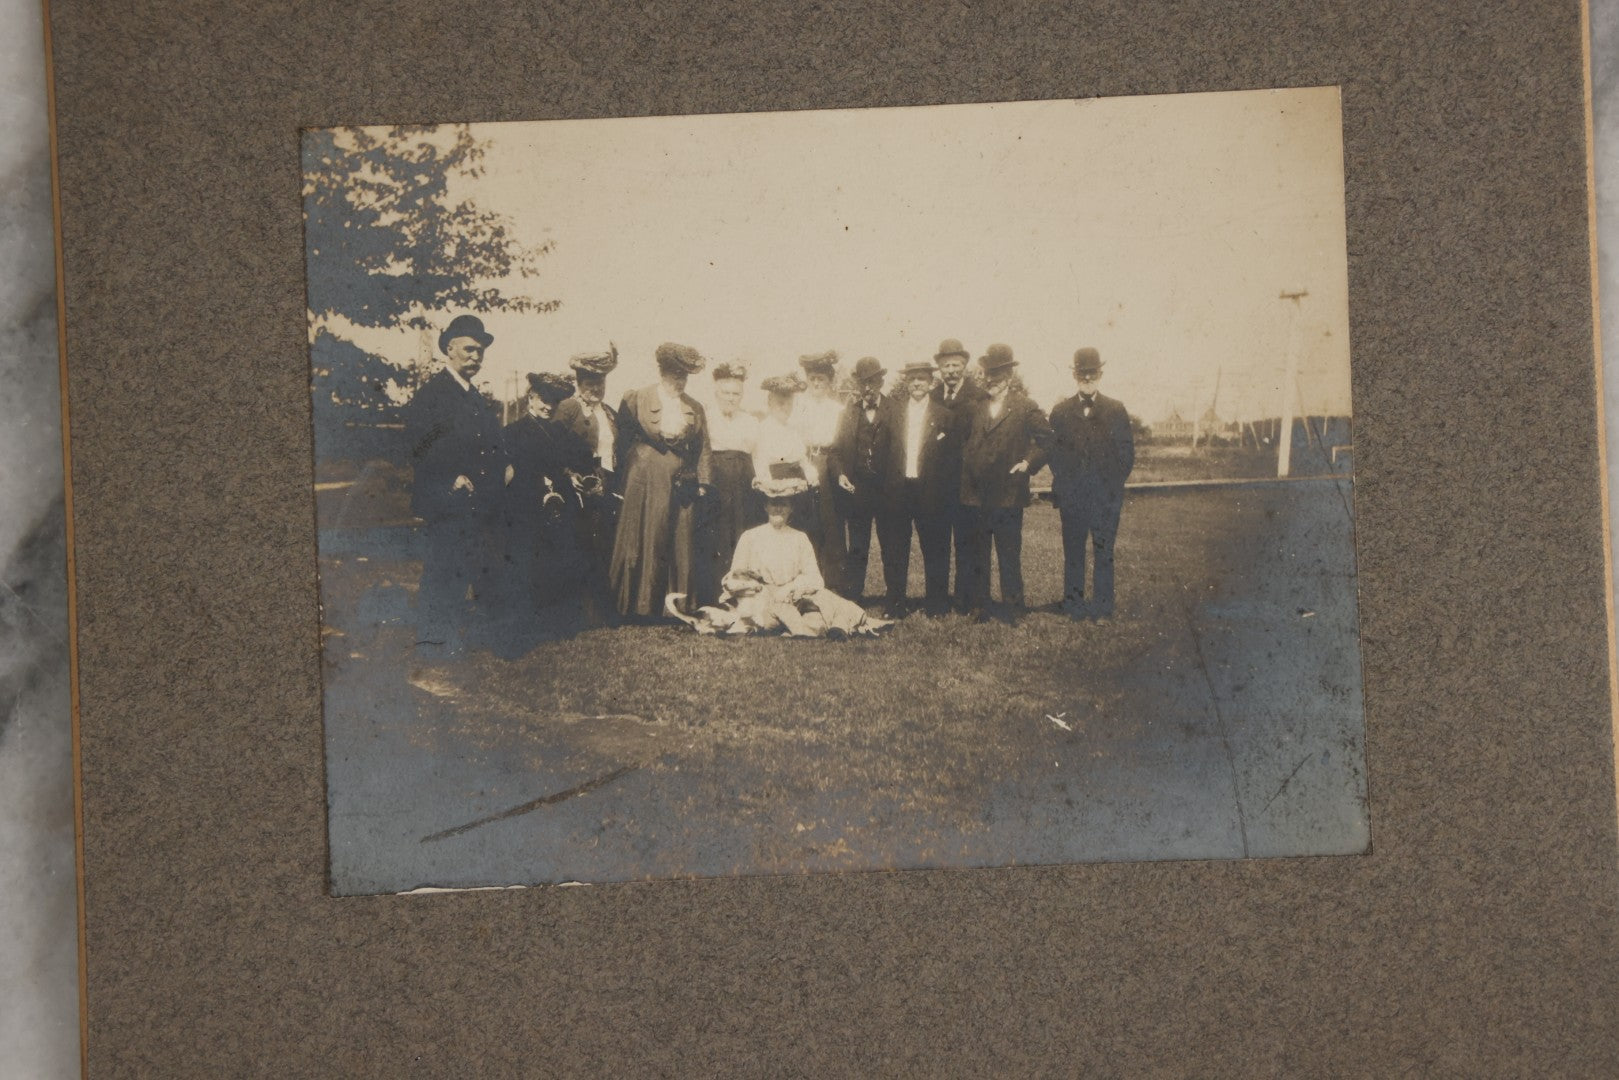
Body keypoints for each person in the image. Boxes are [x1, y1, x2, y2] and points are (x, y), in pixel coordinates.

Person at [402, 313, 510, 658]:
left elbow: (491, 441)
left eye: (480, 351)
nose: (476, 357)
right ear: (449, 349)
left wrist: (505, 464)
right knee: (443, 571)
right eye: (469, 349)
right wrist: (449, 476)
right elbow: (418, 444)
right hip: (447, 499)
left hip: (478, 500)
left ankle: (472, 639)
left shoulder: (475, 397)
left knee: (473, 567)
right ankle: (433, 645)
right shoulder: (433, 395)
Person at [667, 495, 892, 638]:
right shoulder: (750, 537)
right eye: (773, 503)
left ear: (791, 508)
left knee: (825, 597)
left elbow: (815, 578)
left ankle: (849, 624)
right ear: (765, 506)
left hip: (793, 596)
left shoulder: (799, 538)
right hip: (759, 602)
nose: (778, 509)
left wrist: (791, 588)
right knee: (811, 614)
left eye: (783, 504)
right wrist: (756, 588)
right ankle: (852, 624)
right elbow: (733, 578)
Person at [609, 342, 712, 619]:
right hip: (644, 476)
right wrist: (627, 475)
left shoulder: (695, 407)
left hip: (680, 480)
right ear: (662, 372)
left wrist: (702, 483)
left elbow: (703, 447)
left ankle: (675, 608)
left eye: (684, 376)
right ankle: (638, 605)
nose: (680, 382)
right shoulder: (637, 398)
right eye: (675, 375)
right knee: (646, 534)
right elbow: (622, 440)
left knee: (679, 537)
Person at [958, 344, 1051, 622]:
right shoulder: (974, 407)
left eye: (997, 374)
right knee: (979, 554)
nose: (991, 380)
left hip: (1008, 493)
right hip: (976, 494)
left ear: (1009, 377)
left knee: (1009, 553)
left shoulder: (1025, 406)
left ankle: (1014, 608)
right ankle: (980, 606)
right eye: (988, 374)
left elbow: (1047, 440)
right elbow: (961, 440)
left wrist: (1028, 463)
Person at [1048, 347, 1135, 619]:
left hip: (1105, 498)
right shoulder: (1061, 411)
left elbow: (1126, 455)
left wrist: (1109, 488)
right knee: (1073, 551)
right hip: (1073, 497)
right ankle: (1074, 604)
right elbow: (1054, 453)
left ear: (1100, 374)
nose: (1087, 378)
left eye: (1092, 373)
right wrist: (1067, 484)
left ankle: (1102, 607)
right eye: (1082, 373)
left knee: (1104, 551)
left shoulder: (1116, 409)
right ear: (1075, 375)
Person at [503, 371, 585, 635]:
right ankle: (527, 621)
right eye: (544, 400)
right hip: (526, 503)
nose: (549, 407)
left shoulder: (560, 432)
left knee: (558, 558)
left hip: (559, 502)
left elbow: (575, 460)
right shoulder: (512, 432)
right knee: (529, 560)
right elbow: (507, 473)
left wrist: (571, 475)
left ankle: (557, 621)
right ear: (531, 397)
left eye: (554, 402)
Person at [881, 358, 961, 616]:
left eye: (922, 379)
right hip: (898, 490)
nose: (917, 383)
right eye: (912, 379)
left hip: (931, 492)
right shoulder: (892, 413)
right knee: (895, 549)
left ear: (930, 382)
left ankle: (936, 605)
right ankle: (895, 603)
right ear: (906, 382)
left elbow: (952, 461)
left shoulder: (944, 416)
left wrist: (944, 493)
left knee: (936, 547)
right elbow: (883, 453)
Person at [551, 344, 620, 624]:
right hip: (578, 485)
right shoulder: (568, 407)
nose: (596, 388)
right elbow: (553, 445)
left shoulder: (609, 412)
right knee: (578, 545)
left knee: (602, 545)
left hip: (606, 486)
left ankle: (600, 611)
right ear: (579, 383)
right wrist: (569, 474)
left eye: (600, 383)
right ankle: (575, 611)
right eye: (590, 383)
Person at [829, 356, 898, 602]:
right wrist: (840, 474)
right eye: (863, 383)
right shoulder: (848, 413)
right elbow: (835, 451)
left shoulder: (896, 410)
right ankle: (854, 597)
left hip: (888, 490)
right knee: (858, 545)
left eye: (872, 382)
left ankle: (895, 599)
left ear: (881, 382)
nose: (868, 388)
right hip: (858, 489)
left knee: (891, 545)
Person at [929, 338, 989, 611]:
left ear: (964, 366)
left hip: (968, 482)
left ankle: (967, 600)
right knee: (938, 543)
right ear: (940, 368)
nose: (951, 371)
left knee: (968, 543)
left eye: (955, 365)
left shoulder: (979, 396)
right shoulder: (932, 396)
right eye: (946, 366)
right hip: (938, 484)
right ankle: (938, 601)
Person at [697, 360, 763, 604]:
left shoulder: (750, 420)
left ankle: (741, 595)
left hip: (744, 485)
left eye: (736, 393)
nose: (731, 398)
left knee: (742, 534)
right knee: (716, 536)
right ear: (716, 392)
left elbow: (758, 455)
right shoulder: (706, 417)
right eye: (726, 393)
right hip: (716, 482)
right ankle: (713, 596)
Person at [794, 350, 849, 594]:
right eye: (813, 378)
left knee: (831, 523)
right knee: (806, 522)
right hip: (802, 461)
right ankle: (806, 583)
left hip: (828, 462)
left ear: (830, 381)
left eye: (822, 379)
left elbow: (841, 444)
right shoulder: (797, 406)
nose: (817, 383)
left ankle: (834, 586)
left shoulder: (838, 409)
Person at [753, 372, 819, 543]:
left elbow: (802, 458)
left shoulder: (793, 429)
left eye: (789, 404)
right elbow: (760, 462)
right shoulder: (763, 429)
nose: (785, 408)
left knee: (800, 531)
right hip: (776, 486)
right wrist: (771, 489)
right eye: (780, 403)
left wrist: (810, 473)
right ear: (769, 402)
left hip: (798, 485)